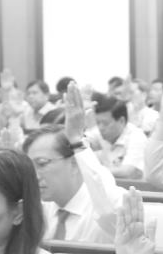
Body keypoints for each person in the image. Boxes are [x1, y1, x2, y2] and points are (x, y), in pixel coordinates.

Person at [24, 83, 123, 245]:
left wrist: (77, 141)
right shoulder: (39, 207)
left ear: (74, 162)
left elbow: (102, 188)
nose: (34, 176)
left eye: (42, 164)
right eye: (30, 166)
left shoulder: (103, 203)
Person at [91, 94, 147, 177]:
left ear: (121, 121)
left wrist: (94, 172)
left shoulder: (137, 137)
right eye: (98, 122)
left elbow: (128, 172)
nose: (101, 128)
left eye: (105, 123)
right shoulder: (98, 133)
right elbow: (79, 143)